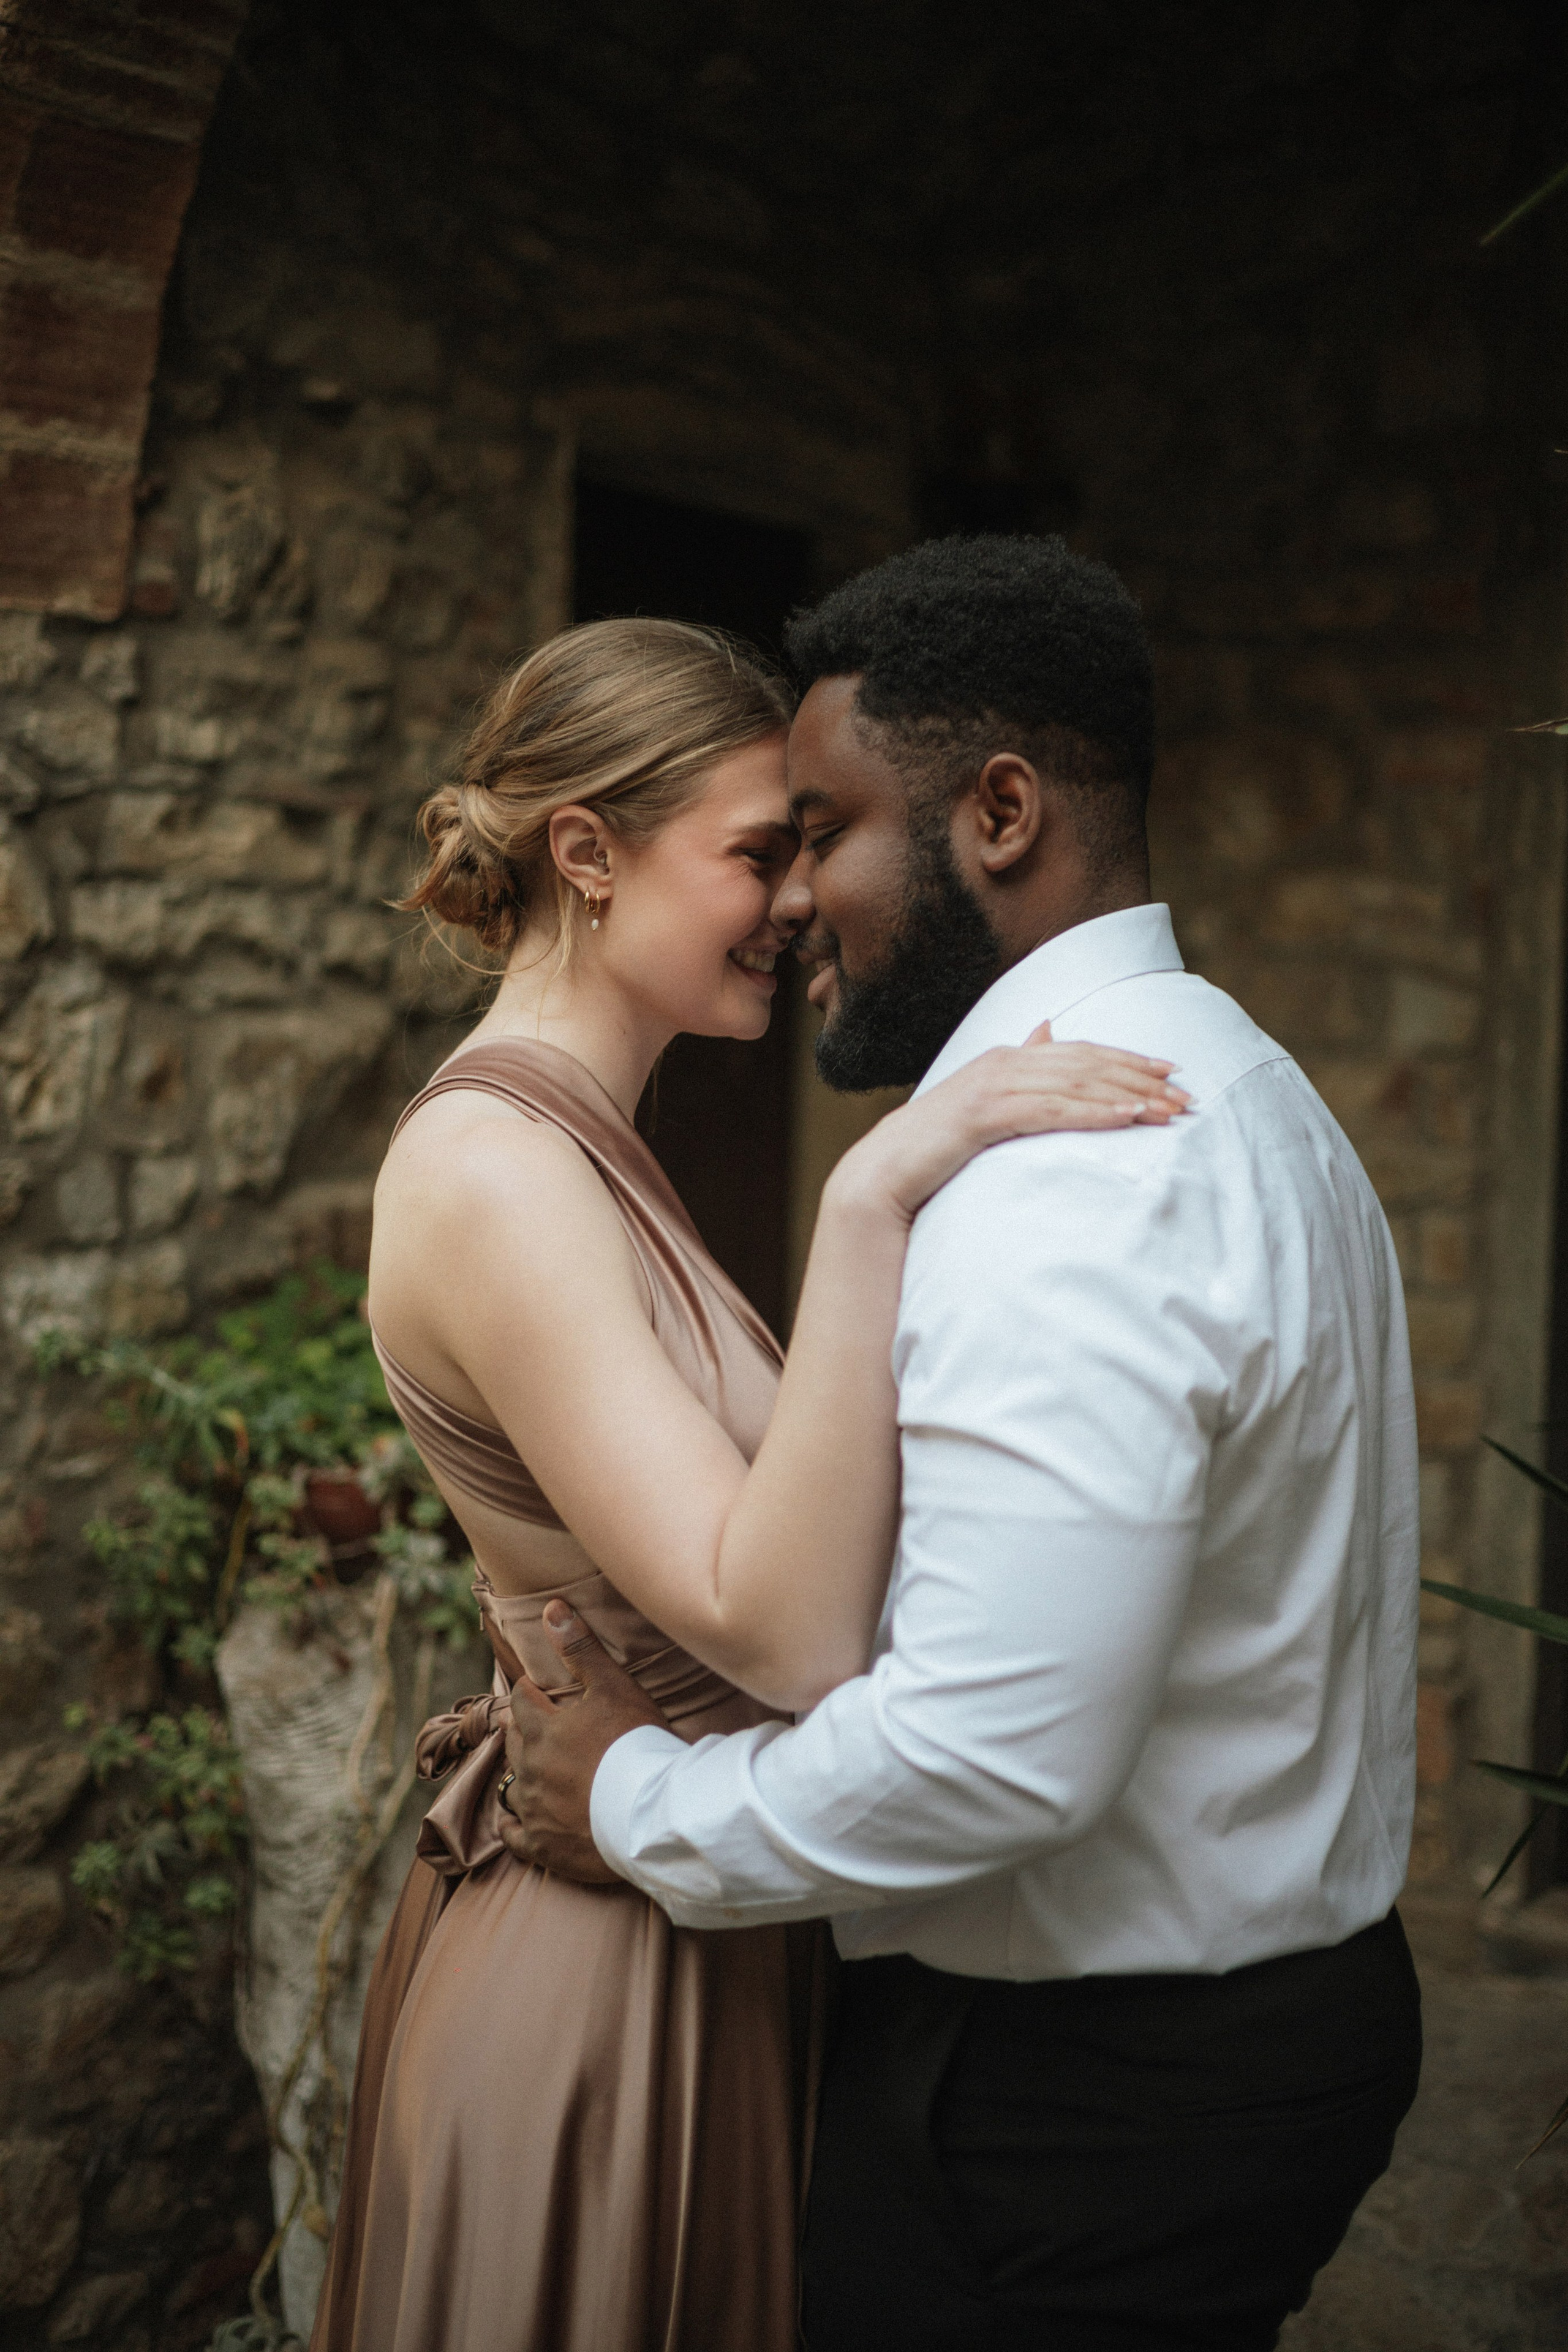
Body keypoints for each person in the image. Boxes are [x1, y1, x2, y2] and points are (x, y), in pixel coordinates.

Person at [502, 536, 1425, 2352]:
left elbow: (996, 1756)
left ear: (998, 812)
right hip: (1256, 2027)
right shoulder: (1247, 1082)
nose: (790, 901)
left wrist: (632, 1804)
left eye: (822, 829)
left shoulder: (1063, 1176)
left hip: (1083, 2098)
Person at [308, 611, 1188, 2352]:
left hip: (708, 1931)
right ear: (587, 853)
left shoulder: (586, 1151)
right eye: (757, 853)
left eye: (807, 850)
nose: (801, 901)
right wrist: (876, 1200)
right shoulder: (496, 1169)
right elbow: (779, 1631)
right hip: (594, 1982)